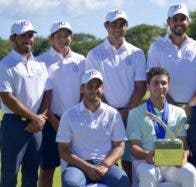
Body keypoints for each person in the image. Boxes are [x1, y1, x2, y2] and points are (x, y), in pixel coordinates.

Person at [85, 9, 147, 182]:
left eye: (122, 24)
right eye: (114, 24)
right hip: (103, 113)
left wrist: (126, 110)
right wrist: (111, 111)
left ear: (127, 27)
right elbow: (93, 87)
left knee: (129, 160)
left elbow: (140, 87)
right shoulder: (94, 54)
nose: (118, 28)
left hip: (132, 113)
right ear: (106, 26)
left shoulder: (137, 53)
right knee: (108, 160)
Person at [126, 67, 196, 187]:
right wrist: (147, 155)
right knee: (148, 174)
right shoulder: (135, 113)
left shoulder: (179, 112)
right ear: (148, 86)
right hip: (147, 163)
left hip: (172, 163)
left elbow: (184, 145)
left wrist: (184, 156)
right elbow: (134, 147)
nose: (160, 87)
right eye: (155, 83)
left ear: (168, 85)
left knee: (190, 173)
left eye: (164, 83)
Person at [0, 20, 52, 187]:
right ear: (12, 39)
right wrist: (34, 118)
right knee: (9, 176)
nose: (27, 39)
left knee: (31, 176)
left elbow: (48, 93)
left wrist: (40, 119)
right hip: (13, 125)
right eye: (22, 35)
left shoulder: (40, 64)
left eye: (30, 35)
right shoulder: (4, 65)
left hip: (37, 127)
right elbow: (7, 96)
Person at [56, 70, 129, 187]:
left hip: (106, 165)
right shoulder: (69, 114)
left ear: (103, 88)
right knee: (71, 183)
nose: (94, 90)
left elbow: (119, 146)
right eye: (89, 86)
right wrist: (87, 167)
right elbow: (63, 150)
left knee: (122, 181)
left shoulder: (113, 114)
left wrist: (104, 165)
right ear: (82, 88)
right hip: (78, 166)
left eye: (98, 86)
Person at [37, 21, 86, 187]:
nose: (63, 39)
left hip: (76, 122)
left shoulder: (81, 61)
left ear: (71, 37)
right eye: (58, 35)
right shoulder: (40, 61)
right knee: (47, 169)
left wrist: (75, 119)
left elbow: (84, 92)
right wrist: (54, 121)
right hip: (50, 123)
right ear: (51, 38)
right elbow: (42, 97)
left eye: (66, 35)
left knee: (74, 168)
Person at [147, 2, 196, 115]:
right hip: (164, 108)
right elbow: (153, 81)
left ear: (188, 21)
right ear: (168, 22)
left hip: (194, 109)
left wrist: (190, 106)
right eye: (174, 19)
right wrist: (174, 107)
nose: (179, 22)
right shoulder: (156, 47)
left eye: (182, 19)